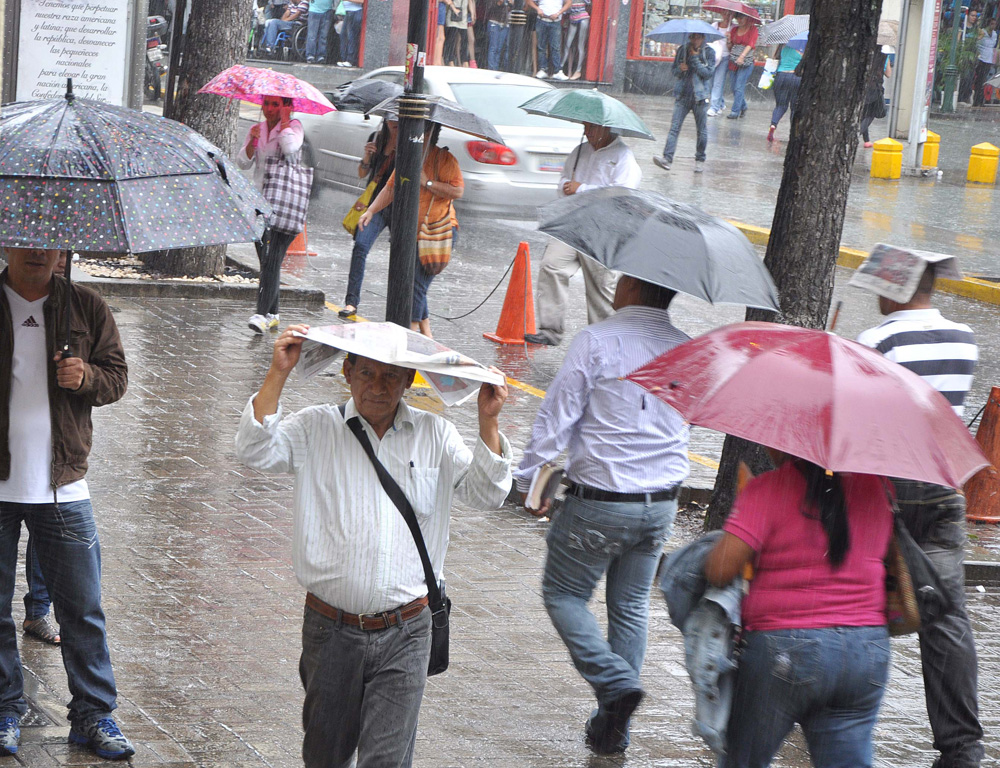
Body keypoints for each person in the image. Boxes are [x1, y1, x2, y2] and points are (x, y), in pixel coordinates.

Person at [235, 327, 512, 768]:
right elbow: (254, 449)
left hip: (407, 630)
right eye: (366, 373)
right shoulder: (315, 426)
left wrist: (488, 422)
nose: (377, 387)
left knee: (386, 760)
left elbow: (488, 494)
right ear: (347, 372)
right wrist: (278, 372)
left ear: (408, 382)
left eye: (390, 377)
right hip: (331, 630)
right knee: (326, 756)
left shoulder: (435, 435)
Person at [516, 276, 690, 754]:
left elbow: (558, 414)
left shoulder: (598, 340)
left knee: (563, 594)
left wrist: (529, 477)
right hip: (660, 504)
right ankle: (614, 728)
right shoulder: (687, 349)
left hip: (601, 502)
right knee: (630, 608)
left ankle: (613, 683)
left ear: (633, 284)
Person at [0, 247, 133, 760]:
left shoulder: (86, 306)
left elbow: (117, 378)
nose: (39, 251)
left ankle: (94, 715)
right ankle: (4, 708)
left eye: (50, 241)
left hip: (63, 484)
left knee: (82, 609)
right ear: (8, 242)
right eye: (28, 239)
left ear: (62, 249)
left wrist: (86, 378)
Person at [856, 261, 984, 768]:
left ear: (896, 289)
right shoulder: (964, 337)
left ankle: (837, 716)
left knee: (858, 604)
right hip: (943, 485)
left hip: (890, 488)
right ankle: (961, 749)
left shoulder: (877, 339)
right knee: (947, 616)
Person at [704, 452, 893, 767]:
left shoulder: (769, 488)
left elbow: (720, 569)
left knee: (743, 759)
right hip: (867, 650)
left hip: (785, 650)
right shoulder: (878, 487)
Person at [523, 121, 641, 347]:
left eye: (592, 128)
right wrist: (567, 185)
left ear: (607, 128)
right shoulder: (580, 151)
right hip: (572, 223)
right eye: (585, 127)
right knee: (552, 266)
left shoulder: (623, 156)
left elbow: (622, 194)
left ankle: (603, 341)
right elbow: (563, 183)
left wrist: (581, 189)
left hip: (604, 228)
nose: (586, 132)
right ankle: (551, 330)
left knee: (601, 284)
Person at [357, 125, 463, 338]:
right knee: (412, 284)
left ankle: (411, 334)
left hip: (438, 231)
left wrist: (428, 182)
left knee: (416, 284)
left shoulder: (444, 159)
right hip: (412, 231)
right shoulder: (407, 157)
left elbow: (457, 190)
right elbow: (390, 189)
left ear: (428, 136)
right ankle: (426, 334)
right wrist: (371, 211)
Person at [236, 95, 305, 334]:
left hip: (284, 204)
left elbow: (290, 149)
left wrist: (285, 121)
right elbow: (243, 163)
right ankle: (273, 313)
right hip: (260, 201)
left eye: (276, 104)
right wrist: (252, 142)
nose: (269, 109)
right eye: (266, 104)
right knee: (266, 259)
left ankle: (261, 313)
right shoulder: (259, 128)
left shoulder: (294, 128)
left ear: (287, 106)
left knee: (272, 258)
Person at [340, 118, 398, 319]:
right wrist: (367, 156)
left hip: (399, 208)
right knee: (360, 246)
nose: (395, 122)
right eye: (392, 119)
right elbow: (362, 173)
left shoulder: (411, 142)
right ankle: (351, 301)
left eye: (399, 118)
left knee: (400, 256)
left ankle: (399, 309)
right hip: (374, 206)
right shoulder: (377, 138)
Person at [653, 32, 715, 173]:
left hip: (700, 97)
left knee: (702, 131)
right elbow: (674, 70)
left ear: (703, 38)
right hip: (682, 95)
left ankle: (700, 159)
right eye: (692, 37)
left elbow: (708, 73)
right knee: (674, 128)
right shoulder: (683, 50)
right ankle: (667, 158)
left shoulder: (709, 52)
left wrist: (694, 59)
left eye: (698, 37)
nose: (695, 40)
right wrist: (680, 70)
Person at [725, 13, 758, 119]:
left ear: (747, 18)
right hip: (733, 61)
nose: (739, 20)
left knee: (739, 86)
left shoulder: (753, 29)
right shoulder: (734, 30)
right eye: (738, 18)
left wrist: (742, 56)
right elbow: (730, 47)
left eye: (742, 17)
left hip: (746, 62)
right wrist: (728, 40)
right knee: (734, 87)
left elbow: (751, 44)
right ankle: (743, 106)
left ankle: (735, 111)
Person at [767, 43, 802, 142]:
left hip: (780, 77)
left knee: (780, 106)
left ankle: (773, 126)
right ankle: (793, 133)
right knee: (795, 107)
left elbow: (775, 59)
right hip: (796, 78)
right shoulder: (802, 48)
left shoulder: (782, 46)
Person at [528, 0, 570, 78]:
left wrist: (559, 13)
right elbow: (529, 1)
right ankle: (543, 69)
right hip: (542, 19)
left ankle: (557, 71)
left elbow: (569, 2)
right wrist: (538, 9)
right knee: (541, 46)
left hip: (555, 20)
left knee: (555, 47)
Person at [860, 47, 892, 147]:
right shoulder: (884, 57)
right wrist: (888, 61)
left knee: (865, 114)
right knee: (873, 113)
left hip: (863, 87)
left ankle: (867, 140)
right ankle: (857, 131)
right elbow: (888, 74)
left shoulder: (865, 53)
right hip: (875, 89)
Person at [707, 10, 734, 116]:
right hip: (713, 57)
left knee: (718, 82)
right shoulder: (714, 25)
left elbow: (732, 47)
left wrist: (729, 40)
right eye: (724, 13)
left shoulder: (733, 28)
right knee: (711, 81)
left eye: (729, 14)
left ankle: (714, 107)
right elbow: (709, 39)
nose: (726, 16)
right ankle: (720, 103)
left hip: (725, 57)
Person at [557, 0, 589, 80]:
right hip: (573, 18)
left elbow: (588, 2)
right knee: (568, 44)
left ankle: (578, 70)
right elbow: (566, 8)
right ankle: (560, 67)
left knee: (580, 45)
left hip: (582, 17)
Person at [972, 18, 997, 107]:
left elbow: (993, 45)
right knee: (980, 79)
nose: (993, 26)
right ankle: (977, 100)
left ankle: (981, 99)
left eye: (994, 24)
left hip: (989, 59)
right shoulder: (982, 32)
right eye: (991, 24)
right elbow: (978, 43)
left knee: (984, 80)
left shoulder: (994, 34)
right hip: (981, 58)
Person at [485, 0, 513, 71]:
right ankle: (491, 68)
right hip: (494, 22)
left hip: (504, 24)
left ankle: (495, 68)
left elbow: (509, 9)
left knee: (498, 49)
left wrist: (511, 4)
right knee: (493, 47)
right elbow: (494, 6)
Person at [443, 0, 471, 65]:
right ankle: (450, 60)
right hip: (453, 15)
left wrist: (472, 12)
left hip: (463, 16)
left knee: (464, 40)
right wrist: (454, 9)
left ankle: (465, 61)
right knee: (451, 40)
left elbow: (470, 2)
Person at [338, 0, 363, 66]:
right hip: (348, 12)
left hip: (355, 12)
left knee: (352, 37)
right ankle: (344, 58)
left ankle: (351, 60)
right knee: (344, 36)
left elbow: (362, 1)